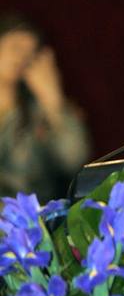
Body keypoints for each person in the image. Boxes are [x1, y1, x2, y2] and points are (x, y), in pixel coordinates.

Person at [0, 12, 91, 202]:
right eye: (15, 47)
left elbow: (74, 159)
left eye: (30, 53)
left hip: (27, 222)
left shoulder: (39, 114)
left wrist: (53, 100)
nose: (22, 58)